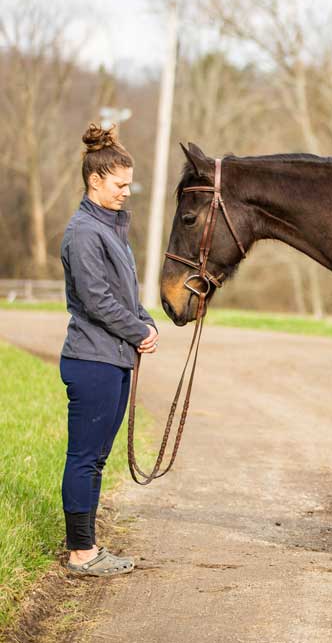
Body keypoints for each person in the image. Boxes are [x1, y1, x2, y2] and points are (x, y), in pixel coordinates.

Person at [60, 123, 159, 577]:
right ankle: (81, 553)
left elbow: (124, 292)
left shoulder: (111, 228)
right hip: (92, 359)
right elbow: (97, 299)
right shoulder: (83, 231)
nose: (126, 192)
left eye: (128, 184)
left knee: (96, 457)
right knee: (85, 457)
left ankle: (89, 546)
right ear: (95, 180)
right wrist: (137, 331)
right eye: (119, 185)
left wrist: (146, 320)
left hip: (113, 357)